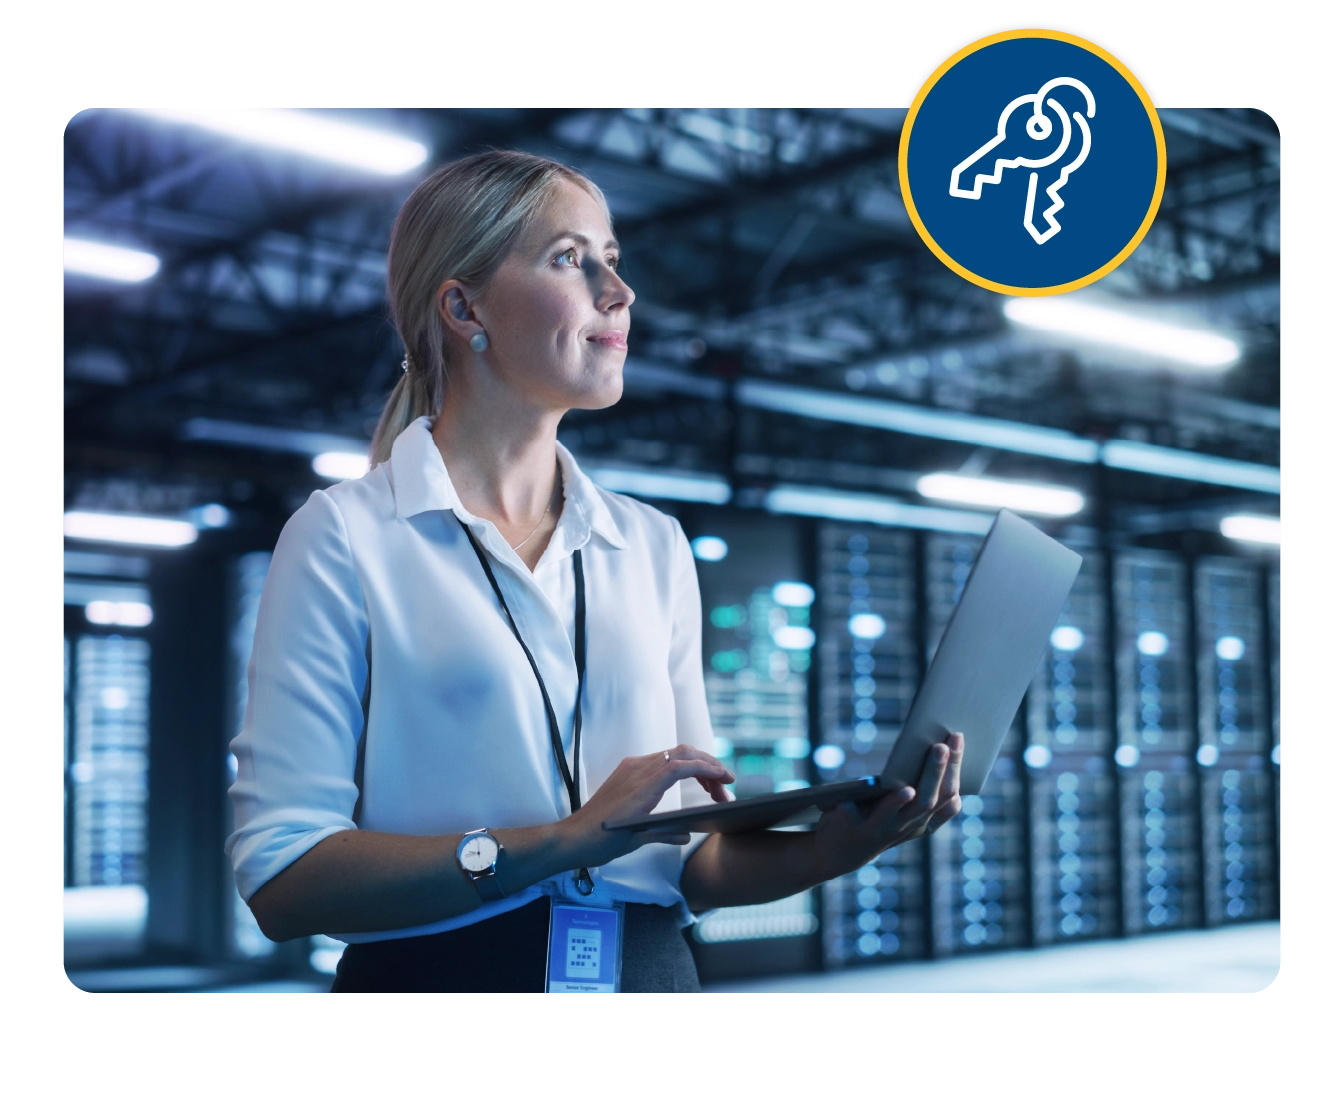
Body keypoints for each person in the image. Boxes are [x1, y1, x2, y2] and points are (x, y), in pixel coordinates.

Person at [226, 149, 964, 998]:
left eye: (613, 259)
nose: (618, 291)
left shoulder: (651, 545)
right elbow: (283, 878)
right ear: (464, 306)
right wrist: (565, 839)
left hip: (651, 983)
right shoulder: (345, 538)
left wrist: (841, 844)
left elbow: (690, 861)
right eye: (570, 259)